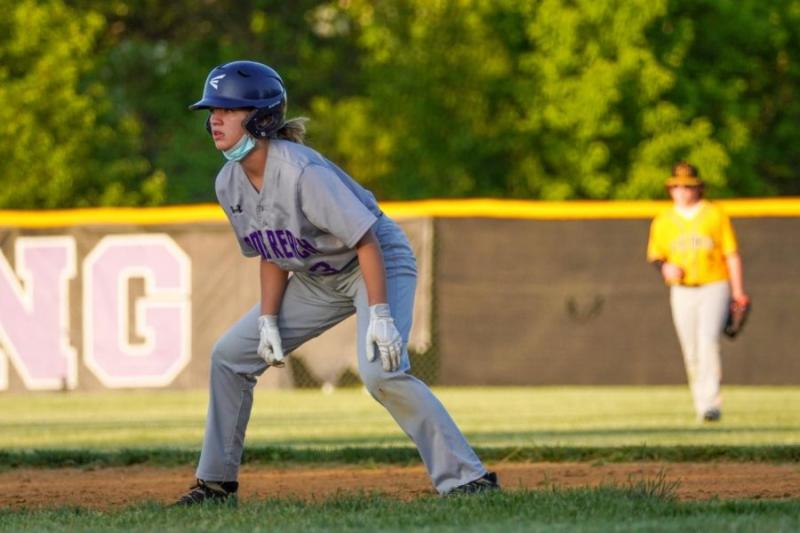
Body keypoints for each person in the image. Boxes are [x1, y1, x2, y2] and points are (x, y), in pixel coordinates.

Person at [175, 60, 499, 505]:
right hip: (315, 275)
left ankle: (467, 478)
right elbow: (272, 250)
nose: (215, 118)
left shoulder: (302, 172)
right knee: (230, 356)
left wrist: (381, 314)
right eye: (212, 109)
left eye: (228, 109)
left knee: (380, 372)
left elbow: (366, 241)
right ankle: (215, 484)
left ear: (262, 117)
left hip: (374, 261)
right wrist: (268, 319)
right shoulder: (228, 181)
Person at [646, 161, 749, 423]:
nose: (682, 191)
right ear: (670, 189)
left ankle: (711, 404)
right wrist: (665, 268)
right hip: (682, 290)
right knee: (690, 349)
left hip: (714, 284)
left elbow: (731, 254)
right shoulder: (664, 220)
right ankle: (700, 403)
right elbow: (657, 256)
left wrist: (738, 291)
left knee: (707, 341)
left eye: (687, 186)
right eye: (677, 186)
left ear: (698, 189)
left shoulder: (714, 215)